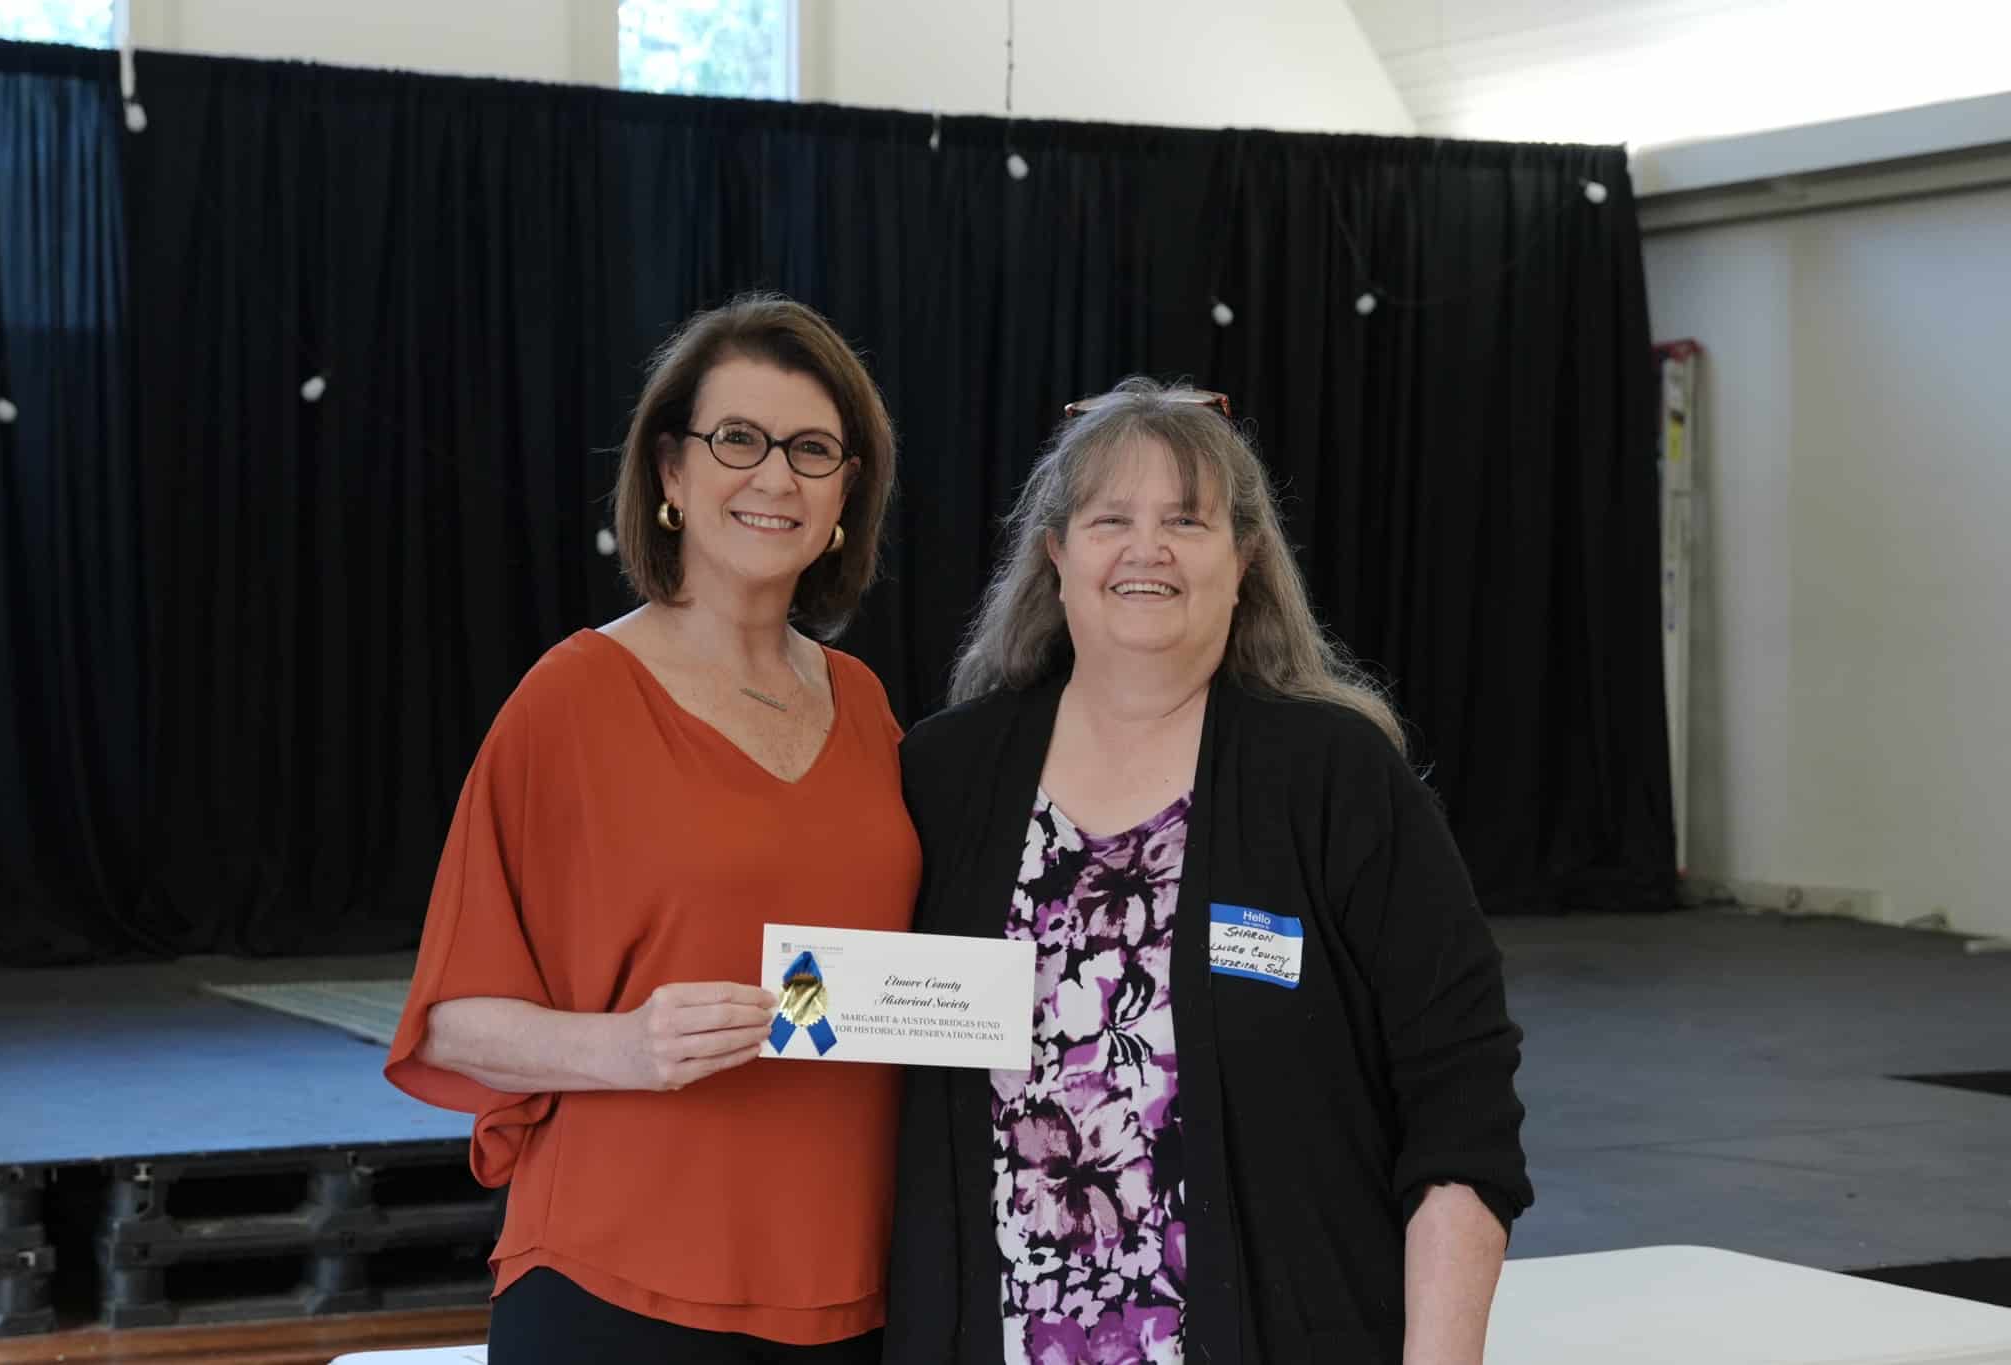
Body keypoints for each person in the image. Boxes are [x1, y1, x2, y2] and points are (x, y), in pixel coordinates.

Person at [884, 379, 1531, 1365]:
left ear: (1244, 560)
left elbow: (1461, 1100)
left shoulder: (1336, 778)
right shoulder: (943, 776)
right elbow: (845, 1039)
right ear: (1055, 555)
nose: (1146, 548)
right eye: (1110, 520)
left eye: (1186, 521)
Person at [384, 294, 918, 1364]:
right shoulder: (571, 700)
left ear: (845, 492)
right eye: (737, 439)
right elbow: (445, 1024)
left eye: (812, 450)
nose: (775, 477)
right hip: (619, 1280)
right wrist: (625, 1046)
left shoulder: (867, 706)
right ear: (670, 471)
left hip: (851, 1284)